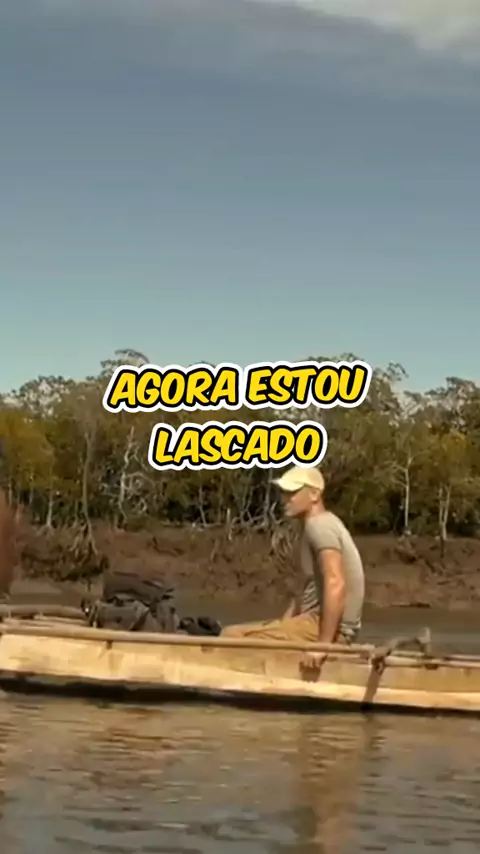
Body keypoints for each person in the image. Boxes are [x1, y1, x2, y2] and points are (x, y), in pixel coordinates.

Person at [222, 465, 365, 650]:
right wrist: (284, 625)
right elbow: (303, 592)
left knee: (231, 635)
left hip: (328, 628)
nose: (285, 499)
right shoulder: (316, 526)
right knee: (238, 633)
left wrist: (323, 646)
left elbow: (336, 583)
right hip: (312, 623)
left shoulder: (319, 526)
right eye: (283, 493)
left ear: (314, 494)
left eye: (292, 493)